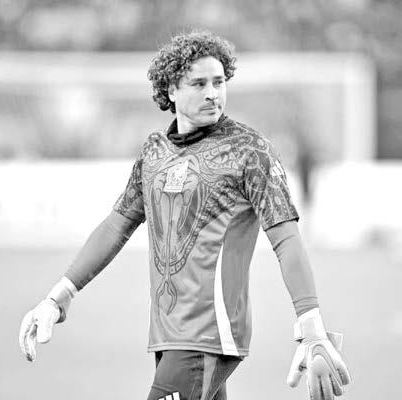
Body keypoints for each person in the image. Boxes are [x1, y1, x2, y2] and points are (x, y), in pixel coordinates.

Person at [19, 30, 351, 400]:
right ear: (171, 90)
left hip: (208, 337)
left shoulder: (249, 151)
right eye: (199, 83)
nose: (213, 93)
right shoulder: (154, 152)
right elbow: (117, 225)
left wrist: (311, 326)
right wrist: (58, 296)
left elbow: (286, 238)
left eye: (219, 82)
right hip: (168, 336)